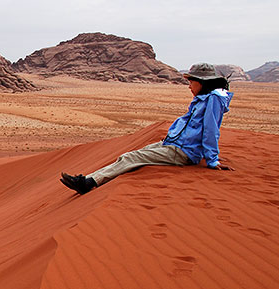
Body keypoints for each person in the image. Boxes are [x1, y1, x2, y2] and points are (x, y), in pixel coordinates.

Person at [60, 63, 234, 195]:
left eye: (191, 81)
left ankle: (89, 183)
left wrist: (212, 160)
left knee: (132, 157)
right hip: (174, 144)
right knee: (129, 156)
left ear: (203, 82)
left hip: (183, 152)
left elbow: (211, 130)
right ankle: (87, 178)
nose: (189, 86)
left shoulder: (213, 100)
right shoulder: (204, 98)